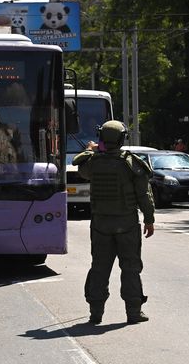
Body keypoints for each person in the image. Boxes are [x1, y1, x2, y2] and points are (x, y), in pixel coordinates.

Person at [72, 120, 155, 325]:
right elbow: (144, 195)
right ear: (122, 138)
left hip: (100, 225)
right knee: (130, 267)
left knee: (99, 267)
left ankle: (95, 313)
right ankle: (133, 312)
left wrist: (90, 149)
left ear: (102, 139)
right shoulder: (131, 162)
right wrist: (149, 219)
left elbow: (81, 169)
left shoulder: (93, 161)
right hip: (127, 223)